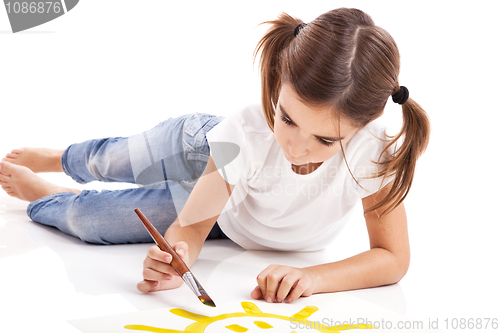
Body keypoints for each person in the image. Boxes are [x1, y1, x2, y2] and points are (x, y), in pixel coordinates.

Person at [0, 8, 430, 304]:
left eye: (324, 141)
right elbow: (192, 222)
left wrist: (314, 278)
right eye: (287, 118)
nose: (297, 147)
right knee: (111, 161)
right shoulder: (246, 131)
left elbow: (393, 258)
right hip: (204, 146)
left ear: (362, 127)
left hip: (235, 218)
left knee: (89, 221)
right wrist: (184, 244)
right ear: (279, 84)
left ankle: (46, 194)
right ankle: (62, 158)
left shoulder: (375, 152)